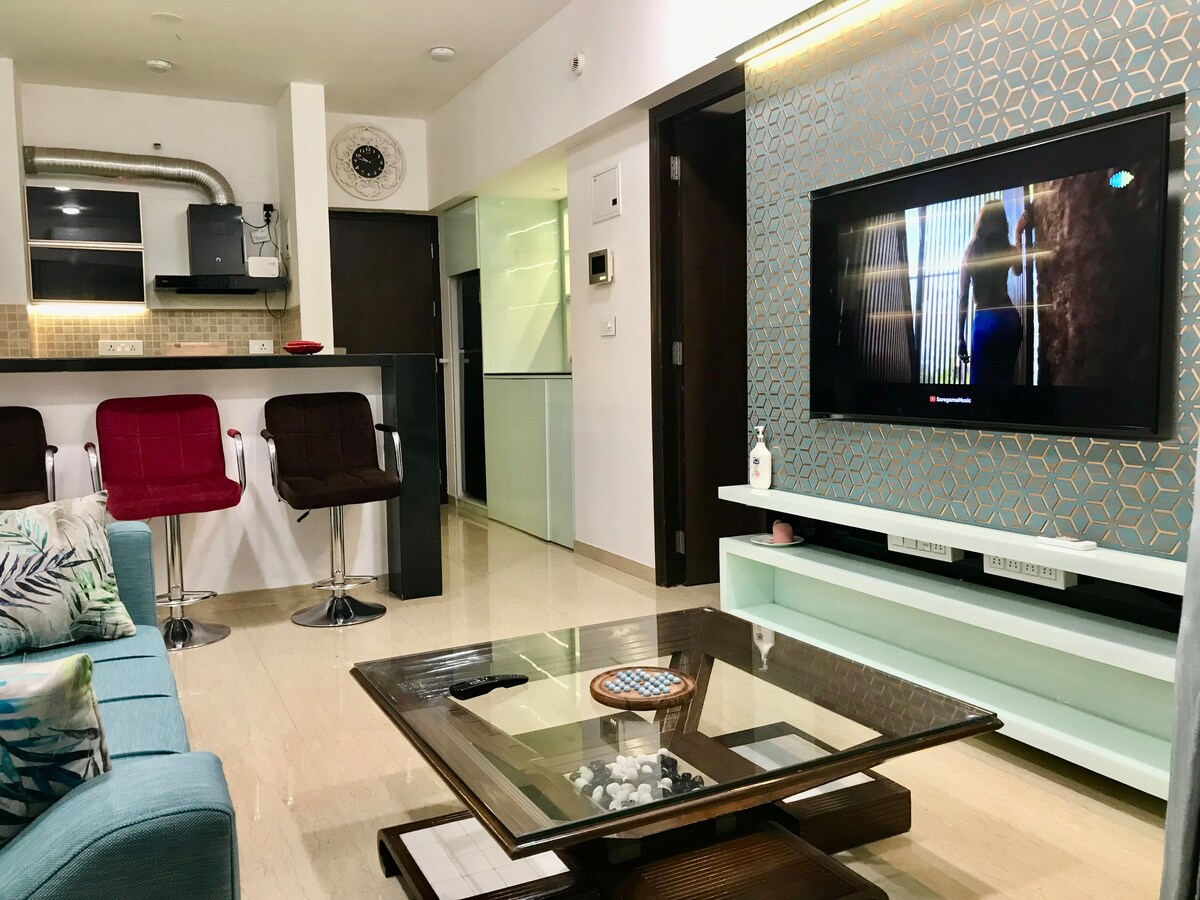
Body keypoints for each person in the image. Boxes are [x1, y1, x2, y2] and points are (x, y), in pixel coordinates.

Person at [957, 200, 1026, 385]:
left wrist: (961, 338)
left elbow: (963, 297)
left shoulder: (970, 252)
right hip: (1009, 320)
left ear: (981, 221)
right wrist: (1018, 236)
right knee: (1004, 383)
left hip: (985, 321)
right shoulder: (1006, 249)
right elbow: (1018, 270)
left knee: (980, 386)